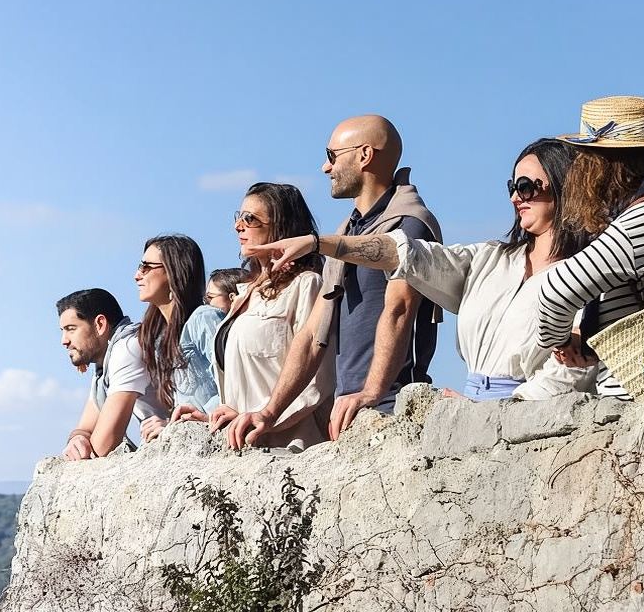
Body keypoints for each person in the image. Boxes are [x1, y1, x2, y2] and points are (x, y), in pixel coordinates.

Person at [243, 139, 598, 401]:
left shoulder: (590, 275)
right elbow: (405, 253)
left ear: (565, 188)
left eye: (527, 186)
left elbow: (570, 373)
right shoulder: (490, 259)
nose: (515, 197)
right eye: (511, 186)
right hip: (469, 412)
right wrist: (319, 243)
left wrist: (491, 411)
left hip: (533, 428)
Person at [223, 115, 442, 448]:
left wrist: (372, 392)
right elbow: (313, 335)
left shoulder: (410, 223)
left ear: (364, 155)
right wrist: (269, 412)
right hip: (349, 411)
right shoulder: (346, 230)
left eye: (331, 156)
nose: (325, 168)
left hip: (392, 409)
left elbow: (400, 310)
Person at [536, 96, 644, 398]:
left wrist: (560, 340)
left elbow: (556, 291)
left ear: (601, 163)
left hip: (642, 395)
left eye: (583, 156)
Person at [177, 182, 328, 451]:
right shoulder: (247, 294)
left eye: (250, 219)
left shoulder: (308, 285)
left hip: (293, 450)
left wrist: (264, 416)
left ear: (281, 229)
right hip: (244, 448)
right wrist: (215, 419)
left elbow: (319, 378)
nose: (238, 226)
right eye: (239, 217)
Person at [131, 235, 224, 443]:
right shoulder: (159, 340)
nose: (137, 275)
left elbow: (235, 384)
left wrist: (205, 418)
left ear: (173, 271)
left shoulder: (204, 318)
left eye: (146, 267)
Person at [57, 288, 166, 460]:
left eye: (71, 329)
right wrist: (77, 439)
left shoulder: (128, 348)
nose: (64, 340)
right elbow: (85, 428)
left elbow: (103, 446)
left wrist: (86, 443)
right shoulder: (105, 365)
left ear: (100, 325)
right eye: (62, 331)